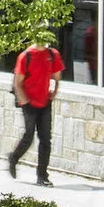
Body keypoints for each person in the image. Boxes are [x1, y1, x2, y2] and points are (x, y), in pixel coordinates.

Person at [7, 37, 65, 184]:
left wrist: (54, 92)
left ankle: (42, 176)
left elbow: (57, 77)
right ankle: (13, 158)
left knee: (46, 139)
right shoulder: (25, 56)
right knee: (29, 135)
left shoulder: (52, 55)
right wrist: (25, 101)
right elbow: (18, 83)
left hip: (45, 102)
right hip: (28, 102)